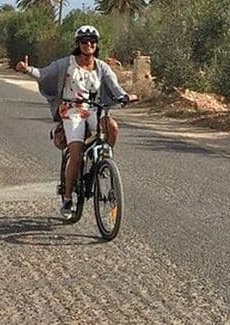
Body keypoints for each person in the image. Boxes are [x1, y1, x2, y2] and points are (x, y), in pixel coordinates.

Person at [15, 25, 138, 218]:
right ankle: (67, 199)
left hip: (93, 109)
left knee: (112, 127)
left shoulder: (101, 67)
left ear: (97, 45)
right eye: (84, 41)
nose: (88, 44)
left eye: (92, 41)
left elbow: (115, 87)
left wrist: (125, 96)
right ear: (78, 44)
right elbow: (44, 73)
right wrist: (27, 69)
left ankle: (104, 162)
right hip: (71, 110)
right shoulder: (66, 64)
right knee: (76, 153)